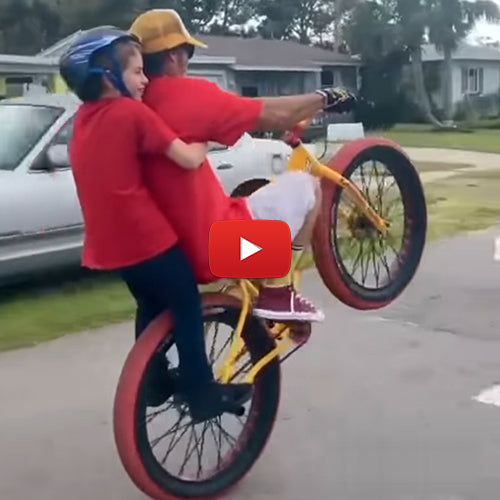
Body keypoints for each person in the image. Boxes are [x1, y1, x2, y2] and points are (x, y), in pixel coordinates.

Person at [58, 26, 252, 423]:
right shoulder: (132, 112)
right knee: (185, 304)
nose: (145, 79)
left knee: (149, 302)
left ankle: (153, 380)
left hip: (111, 248)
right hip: (148, 238)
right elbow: (187, 158)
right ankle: (201, 391)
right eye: (135, 72)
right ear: (106, 75)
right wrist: (207, 139)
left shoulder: (82, 121)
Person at [129, 9, 356, 323]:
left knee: (248, 206)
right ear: (173, 56)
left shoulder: (131, 107)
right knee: (309, 187)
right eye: (188, 52)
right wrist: (325, 97)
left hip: (171, 255)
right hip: (221, 250)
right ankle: (280, 291)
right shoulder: (186, 96)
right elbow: (273, 115)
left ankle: (257, 300)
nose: (187, 62)